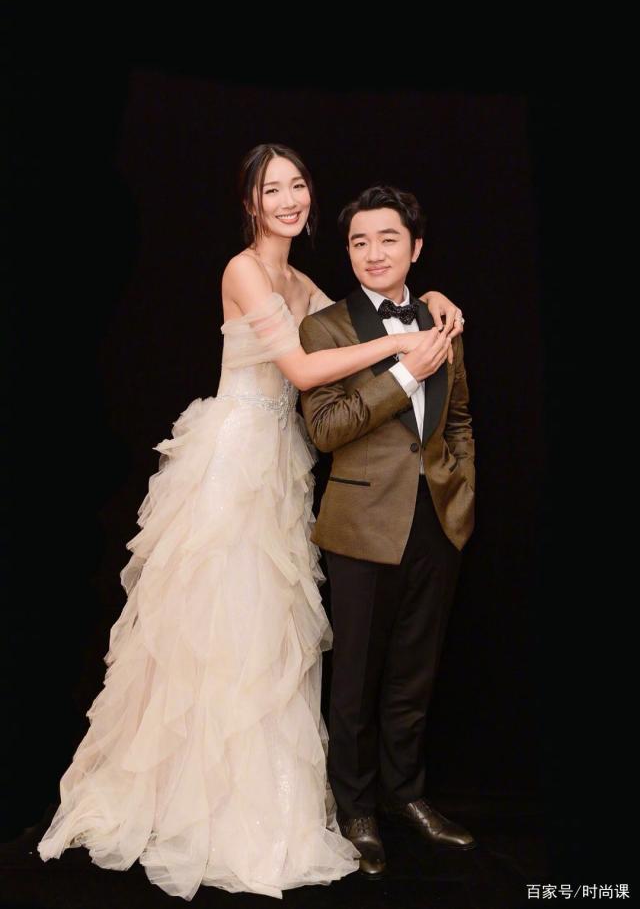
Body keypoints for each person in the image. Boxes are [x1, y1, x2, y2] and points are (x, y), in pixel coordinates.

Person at [37, 145, 464, 900]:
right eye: (273, 190)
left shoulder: (302, 281)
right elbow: (302, 370)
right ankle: (191, 798)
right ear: (250, 202)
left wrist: (428, 296)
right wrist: (404, 343)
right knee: (214, 626)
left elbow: (362, 308)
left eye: (298, 185)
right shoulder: (245, 270)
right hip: (235, 461)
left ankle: (264, 796)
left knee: (269, 631)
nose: (289, 199)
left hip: (282, 466)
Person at [299, 184, 475, 877]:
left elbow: (458, 418)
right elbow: (325, 429)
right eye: (359, 241)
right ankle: (357, 808)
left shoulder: (441, 319)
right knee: (354, 680)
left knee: (414, 672)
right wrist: (404, 374)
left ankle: (407, 794)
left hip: (438, 520)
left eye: (388, 239)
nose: (373, 253)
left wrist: (460, 490)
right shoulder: (324, 327)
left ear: (415, 248)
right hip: (360, 525)